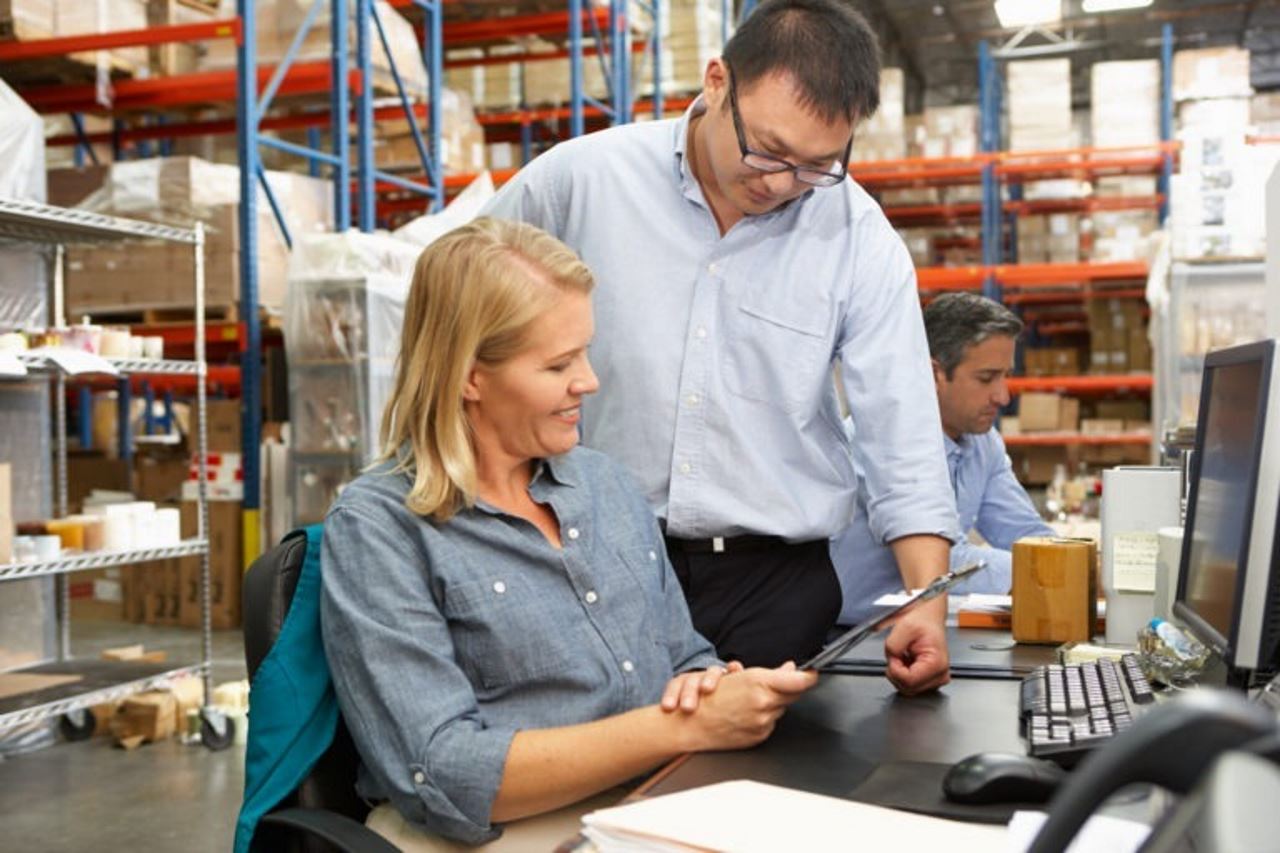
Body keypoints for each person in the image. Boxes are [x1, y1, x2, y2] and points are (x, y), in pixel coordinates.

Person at [482, 0, 957, 692]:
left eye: (816, 165)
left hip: (774, 587)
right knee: (595, 773)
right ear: (716, 83)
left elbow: (903, 435)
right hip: (587, 561)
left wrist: (927, 601)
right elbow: (455, 310)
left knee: (749, 790)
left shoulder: (857, 234)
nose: (780, 182)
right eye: (766, 149)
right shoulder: (579, 183)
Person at [320, 217, 818, 849]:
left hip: (650, 798)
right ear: (470, 376)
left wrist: (715, 685)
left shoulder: (605, 486)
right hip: (499, 832)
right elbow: (444, 774)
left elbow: (683, 654)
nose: (589, 380)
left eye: (585, 351)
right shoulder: (379, 528)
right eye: (558, 364)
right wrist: (686, 730)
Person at [832, 293, 1054, 624]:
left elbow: (1025, 533)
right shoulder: (878, 441)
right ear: (933, 374)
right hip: (856, 637)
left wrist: (1075, 563)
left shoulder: (982, 443)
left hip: (925, 623)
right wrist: (1052, 571)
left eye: (1005, 375)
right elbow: (946, 560)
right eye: (986, 378)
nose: (1003, 396)